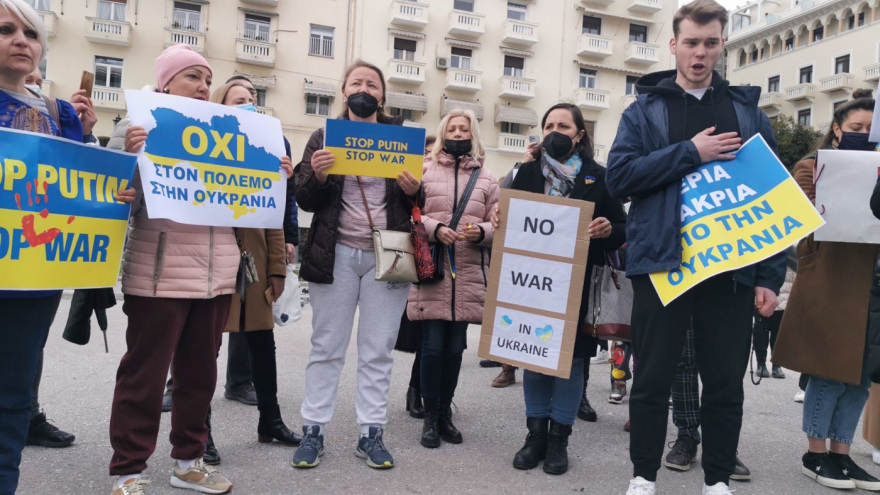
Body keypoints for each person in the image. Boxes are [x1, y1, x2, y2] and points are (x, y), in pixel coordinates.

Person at [605, 1, 786, 493]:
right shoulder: (645, 110)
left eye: (710, 42)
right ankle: (643, 476)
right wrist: (691, 152)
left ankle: (718, 481)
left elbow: (773, 197)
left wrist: (770, 278)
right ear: (674, 44)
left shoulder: (746, 113)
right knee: (651, 379)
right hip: (662, 265)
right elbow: (619, 176)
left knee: (725, 384)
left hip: (729, 272)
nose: (700, 53)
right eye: (691, 42)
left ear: (723, 44)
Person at [0, 2, 133, 492]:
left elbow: (79, 186)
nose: (21, 40)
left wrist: (115, 192)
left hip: (30, 286)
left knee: (12, 403)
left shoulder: (57, 113)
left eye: (30, 33)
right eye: (5, 30)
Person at [106, 45, 246, 495]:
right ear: (165, 83)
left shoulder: (231, 136)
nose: (204, 87)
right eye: (192, 77)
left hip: (217, 275)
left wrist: (272, 172)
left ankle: (189, 462)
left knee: (200, 377)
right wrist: (126, 164)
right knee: (144, 378)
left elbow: (249, 203)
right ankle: (129, 470)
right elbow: (107, 194)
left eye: (207, 80)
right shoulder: (135, 127)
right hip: (158, 273)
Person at [292, 60, 423, 470]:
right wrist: (316, 176)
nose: (364, 89)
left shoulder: (401, 139)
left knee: (378, 351)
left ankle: (371, 433)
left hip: (389, 257)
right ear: (344, 91)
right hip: (335, 257)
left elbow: (420, 201)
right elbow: (303, 198)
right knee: (326, 346)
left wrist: (415, 189)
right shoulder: (323, 137)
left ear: (382, 95)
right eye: (356, 82)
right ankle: (313, 429)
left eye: (372, 83)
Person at [509, 103, 626, 475]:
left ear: (579, 134)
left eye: (563, 125)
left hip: (578, 284)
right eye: (548, 125)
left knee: (572, 364)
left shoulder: (599, 177)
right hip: (531, 282)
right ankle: (535, 436)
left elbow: (623, 230)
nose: (555, 131)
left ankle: (559, 439)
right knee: (534, 358)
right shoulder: (525, 173)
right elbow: (506, 223)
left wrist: (608, 230)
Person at [773, 95, 879, 491]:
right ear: (837, 129)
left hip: (870, 284)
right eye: (856, 129)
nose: (865, 136)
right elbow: (802, 221)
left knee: (860, 379)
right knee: (828, 372)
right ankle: (814, 454)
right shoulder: (810, 166)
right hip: (830, 280)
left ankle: (842, 455)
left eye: (872, 130)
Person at [208, 79, 300, 446]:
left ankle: (270, 422)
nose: (248, 105)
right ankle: (201, 433)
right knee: (204, 350)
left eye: (251, 100)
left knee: (263, 347)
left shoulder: (267, 150)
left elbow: (274, 215)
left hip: (257, 263)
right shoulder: (203, 148)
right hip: (214, 261)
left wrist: (277, 268)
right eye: (238, 101)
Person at [408, 109, 499, 448]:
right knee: (432, 347)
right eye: (452, 128)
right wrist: (436, 228)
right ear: (443, 133)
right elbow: (410, 216)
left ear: (473, 134)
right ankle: (430, 417)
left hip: (469, 273)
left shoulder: (488, 179)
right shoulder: (425, 172)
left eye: (464, 129)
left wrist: (482, 233)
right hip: (432, 271)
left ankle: (445, 413)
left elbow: (498, 225)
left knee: (455, 349)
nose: (458, 134)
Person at [20, 67, 96, 449]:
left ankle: (26, 415)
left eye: (37, 74)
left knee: (30, 343)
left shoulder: (54, 112)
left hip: (35, 253)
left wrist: (83, 132)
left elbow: (77, 174)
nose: (32, 78)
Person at [396, 134, 436, 421]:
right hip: (418, 253)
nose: (432, 158)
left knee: (440, 335)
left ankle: (432, 394)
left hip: (445, 254)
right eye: (428, 153)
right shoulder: (412, 178)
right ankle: (415, 391)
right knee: (425, 333)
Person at [752, 248, 796, 379]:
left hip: (786, 296)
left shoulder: (793, 247)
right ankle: (761, 364)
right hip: (764, 293)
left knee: (779, 333)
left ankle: (777, 365)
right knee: (761, 331)